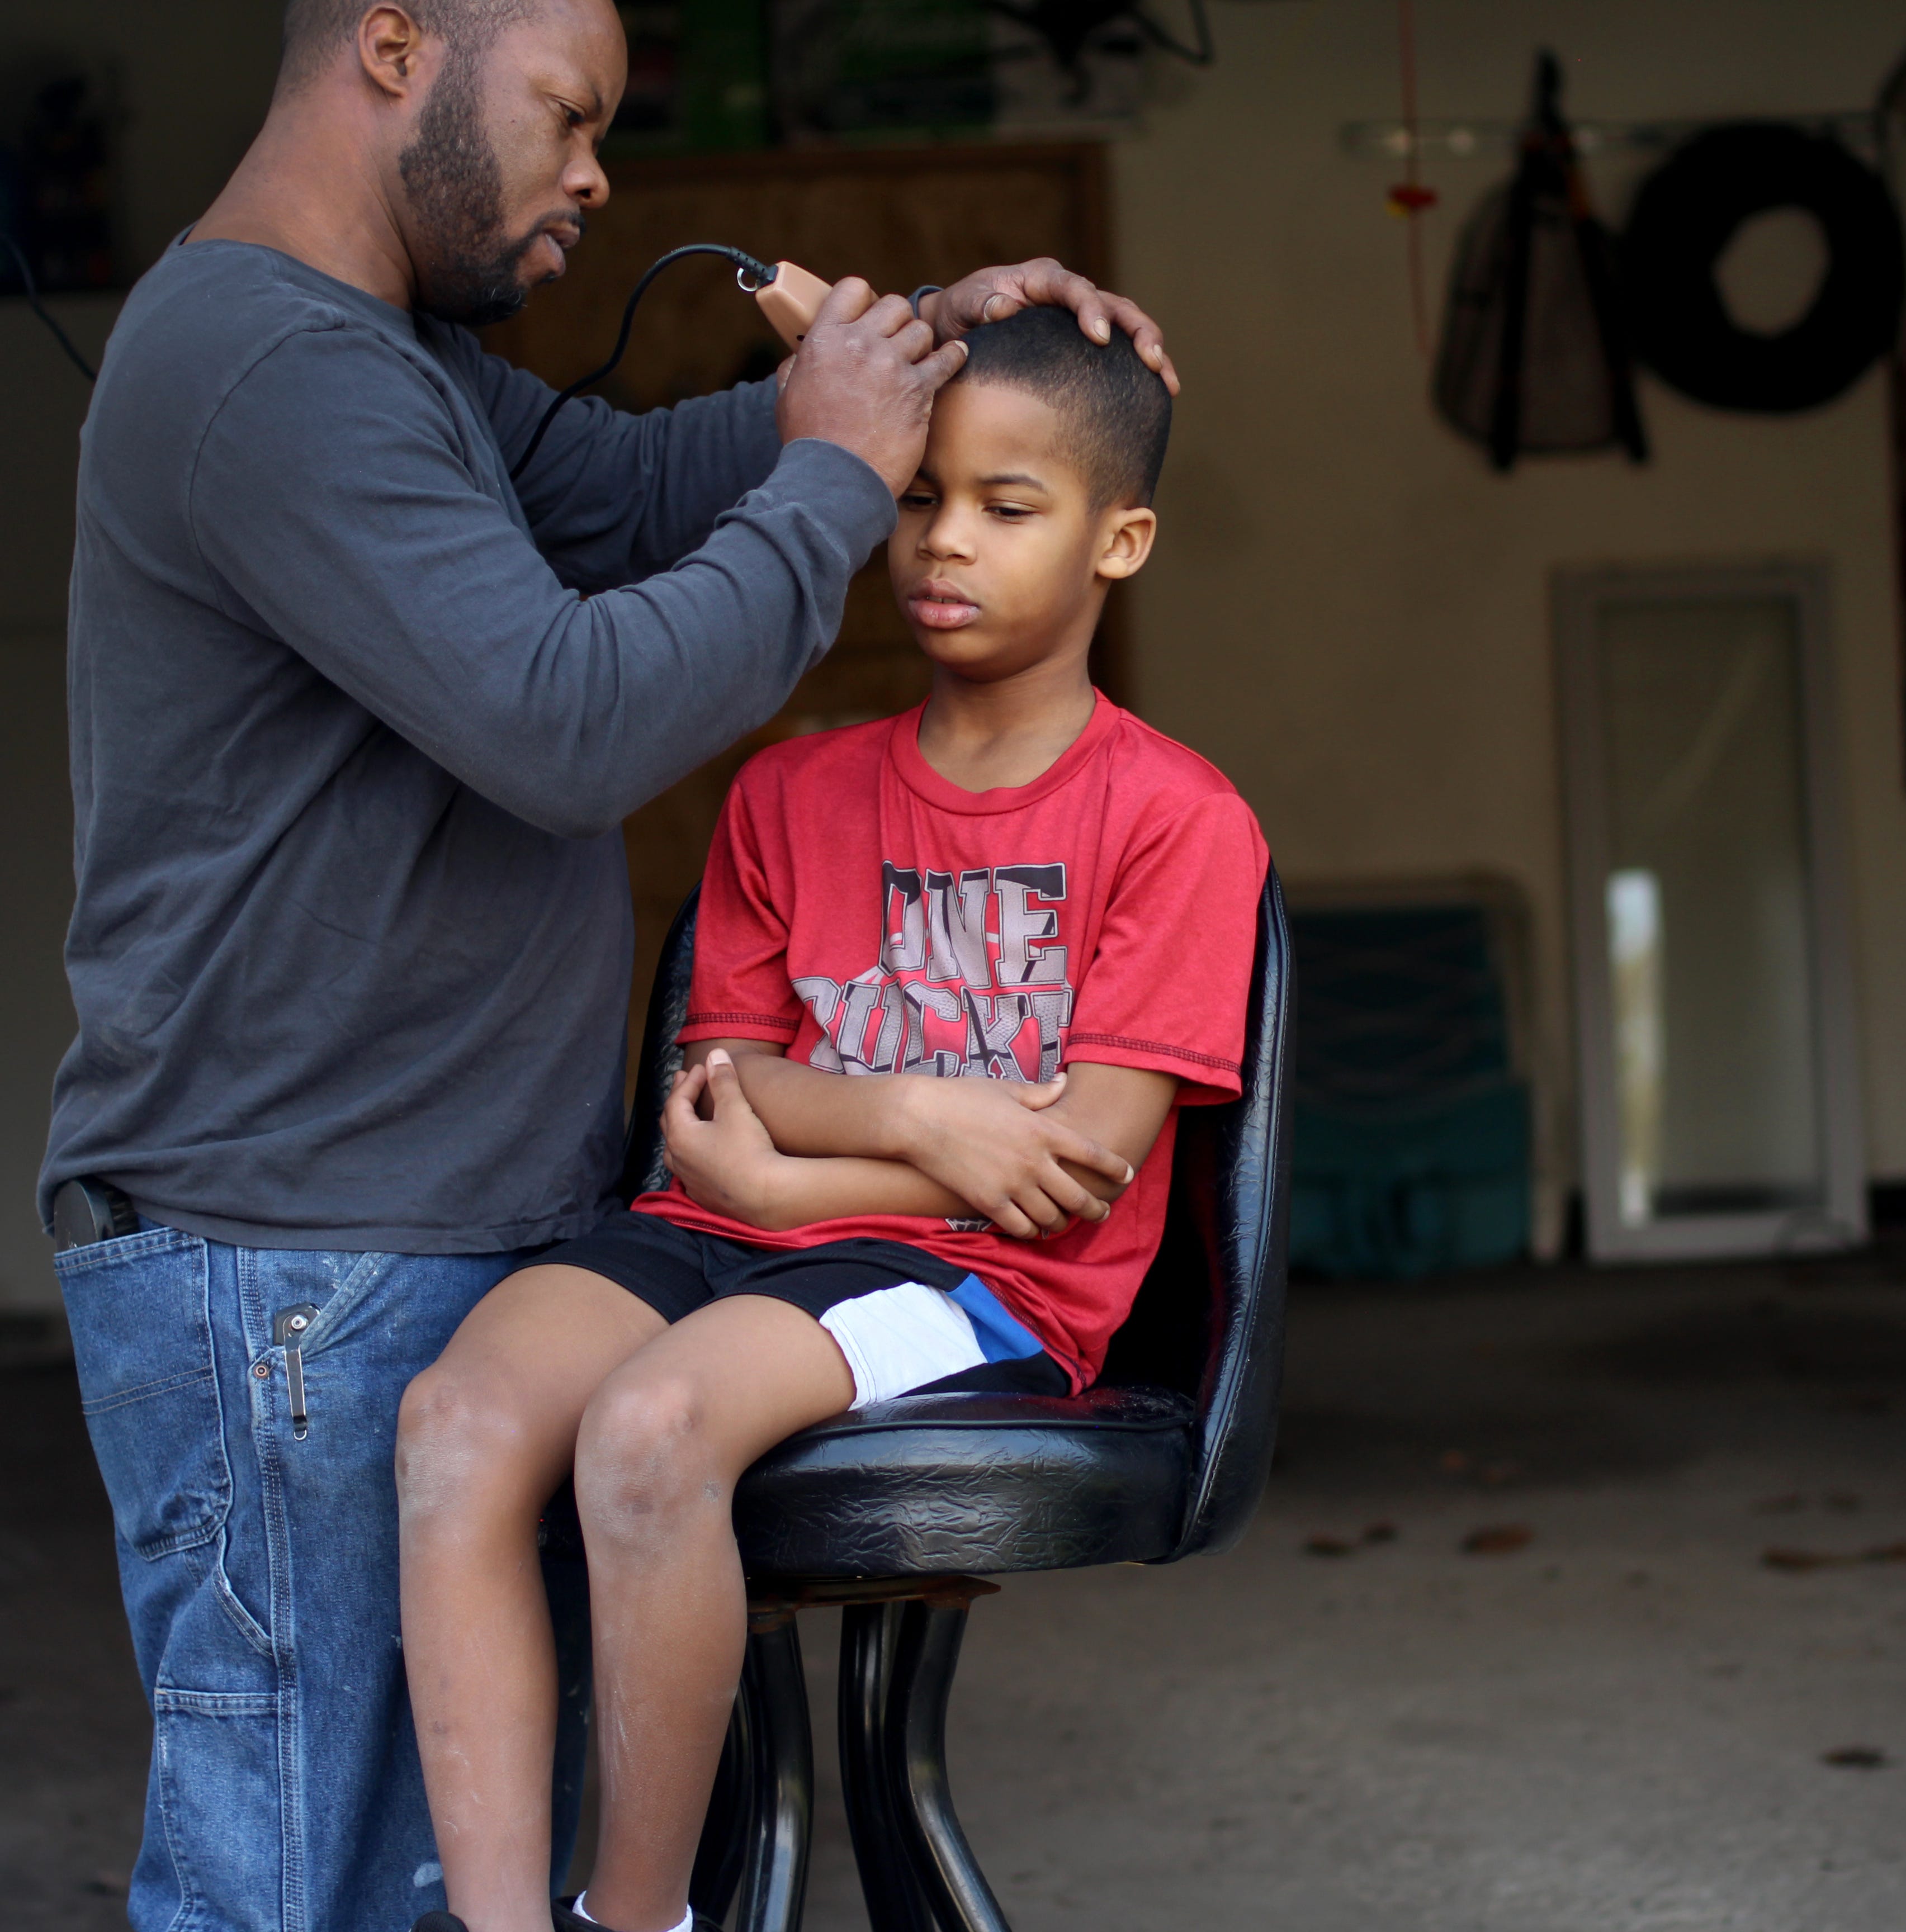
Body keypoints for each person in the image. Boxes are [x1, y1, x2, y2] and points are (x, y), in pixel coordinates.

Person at [41, 0, 1181, 1925]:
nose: (596, 173)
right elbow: (567, 718)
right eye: (569, 114)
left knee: (406, 1880)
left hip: (402, 1241)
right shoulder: (262, 364)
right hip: (296, 1266)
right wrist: (837, 482)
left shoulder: (378, 358)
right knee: (289, 1892)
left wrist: (913, 357)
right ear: (396, 45)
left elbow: (643, 492)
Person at [392, 302, 1267, 1932]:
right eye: (920, 496)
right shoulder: (790, 791)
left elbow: (1070, 1176)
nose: (944, 541)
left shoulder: (1176, 819)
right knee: (454, 1426)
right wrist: (933, 1117)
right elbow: (729, 1087)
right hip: (720, 1230)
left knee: (649, 1434)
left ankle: (632, 1923)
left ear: (1119, 538)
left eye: (1011, 507)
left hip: (979, 1288)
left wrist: (803, 1181)